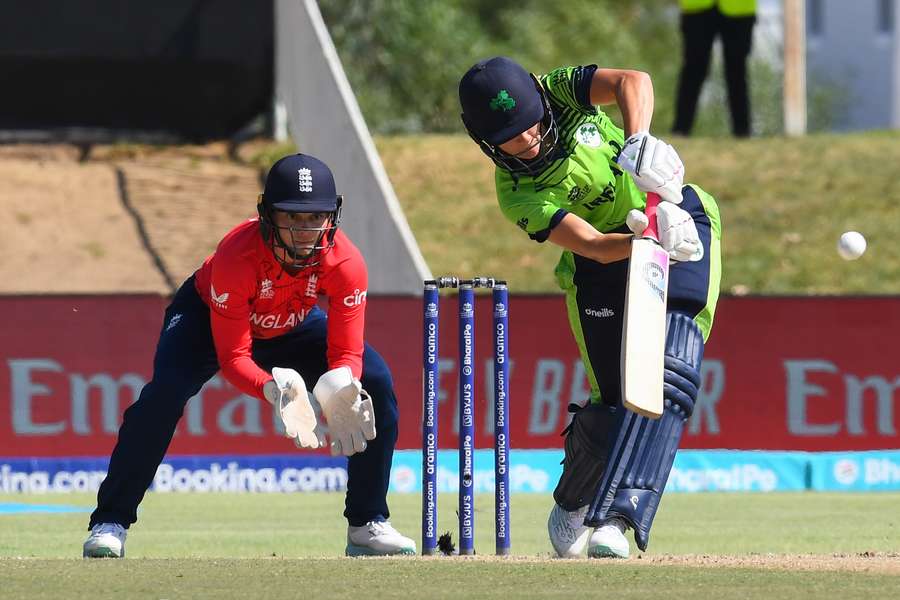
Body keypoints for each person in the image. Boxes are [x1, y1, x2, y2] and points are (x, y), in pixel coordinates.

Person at [83, 153, 416, 558]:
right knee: (163, 397)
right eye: (292, 218)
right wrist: (274, 391)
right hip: (208, 318)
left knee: (374, 383)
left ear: (333, 216)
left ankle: (366, 524)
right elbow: (235, 357)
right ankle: (110, 521)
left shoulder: (346, 262)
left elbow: (346, 350)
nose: (305, 232)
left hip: (293, 322)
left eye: (316, 218)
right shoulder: (236, 258)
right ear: (267, 216)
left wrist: (341, 385)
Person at [459, 57, 722, 559]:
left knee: (672, 361)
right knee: (614, 404)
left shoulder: (559, 90)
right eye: (513, 136)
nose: (531, 140)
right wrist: (645, 241)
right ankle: (574, 504)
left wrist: (638, 138)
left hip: (679, 215)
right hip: (606, 262)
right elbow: (596, 244)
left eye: (534, 124)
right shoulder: (518, 193)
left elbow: (633, 81)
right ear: (487, 143)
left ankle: (620, 518)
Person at [672, 0, 757, 137]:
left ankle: (743, 131)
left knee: (737, 72)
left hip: (739, 8)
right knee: (693, 70)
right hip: (697, 7)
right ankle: (680, 129)